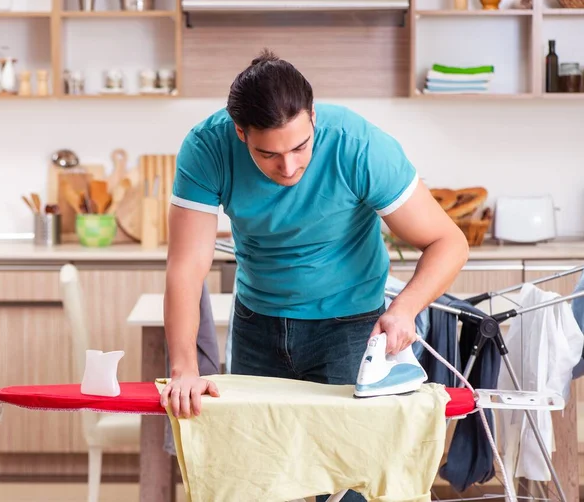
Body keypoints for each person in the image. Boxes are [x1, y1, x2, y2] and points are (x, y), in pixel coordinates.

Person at [161, 49, 469, 501]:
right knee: (256, 481)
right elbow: (187, 265)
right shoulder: (208, 148)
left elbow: (448, 242)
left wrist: (404, 311)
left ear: (313, 116)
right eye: (268, 154)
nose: (288, 168)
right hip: (257, 324)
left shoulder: (358, 146)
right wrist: (184, 367)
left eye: (300, 147)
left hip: (350, 326)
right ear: (240, 132)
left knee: (348, 483)